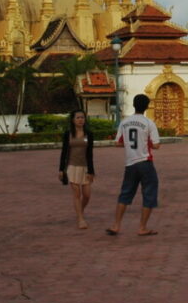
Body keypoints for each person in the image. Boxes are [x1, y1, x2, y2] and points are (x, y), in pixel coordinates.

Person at [106, 93, 162, 237]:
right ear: (147, 106)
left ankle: (116, 225)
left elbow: (118, 143)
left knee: (125, 194)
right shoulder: (149, 123)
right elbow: (156, 145)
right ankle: (142, 227)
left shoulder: (125, 122)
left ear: (133, 105)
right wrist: (146, 142)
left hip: (130, 163)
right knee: (149, 194)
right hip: (145, 162)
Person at [58, 109, 95, 229]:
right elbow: (64, 152)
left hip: (85, 167)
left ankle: (80, 211)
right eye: (78, 118)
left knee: (87, 195)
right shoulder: (68, 134)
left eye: (82, 117)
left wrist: (91, 171)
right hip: (71, 167)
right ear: (73, 120)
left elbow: (90, 154)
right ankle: (80, 219)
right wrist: (61, 169)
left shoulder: (88, 134)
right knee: (77, 194)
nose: (80, 120)